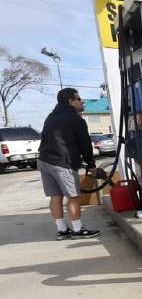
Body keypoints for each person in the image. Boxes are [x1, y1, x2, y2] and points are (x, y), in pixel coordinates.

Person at [38, 88, 99, 240]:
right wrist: (91, 164)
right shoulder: (76, 119)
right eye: (79, 99)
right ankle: (78, 230)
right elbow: (85, 144)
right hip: (62, 163)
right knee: (72, 197)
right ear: (71, 101)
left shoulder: (50, 117)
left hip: (44, 161)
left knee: (55, 196)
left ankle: (62, 230)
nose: (81, 101)